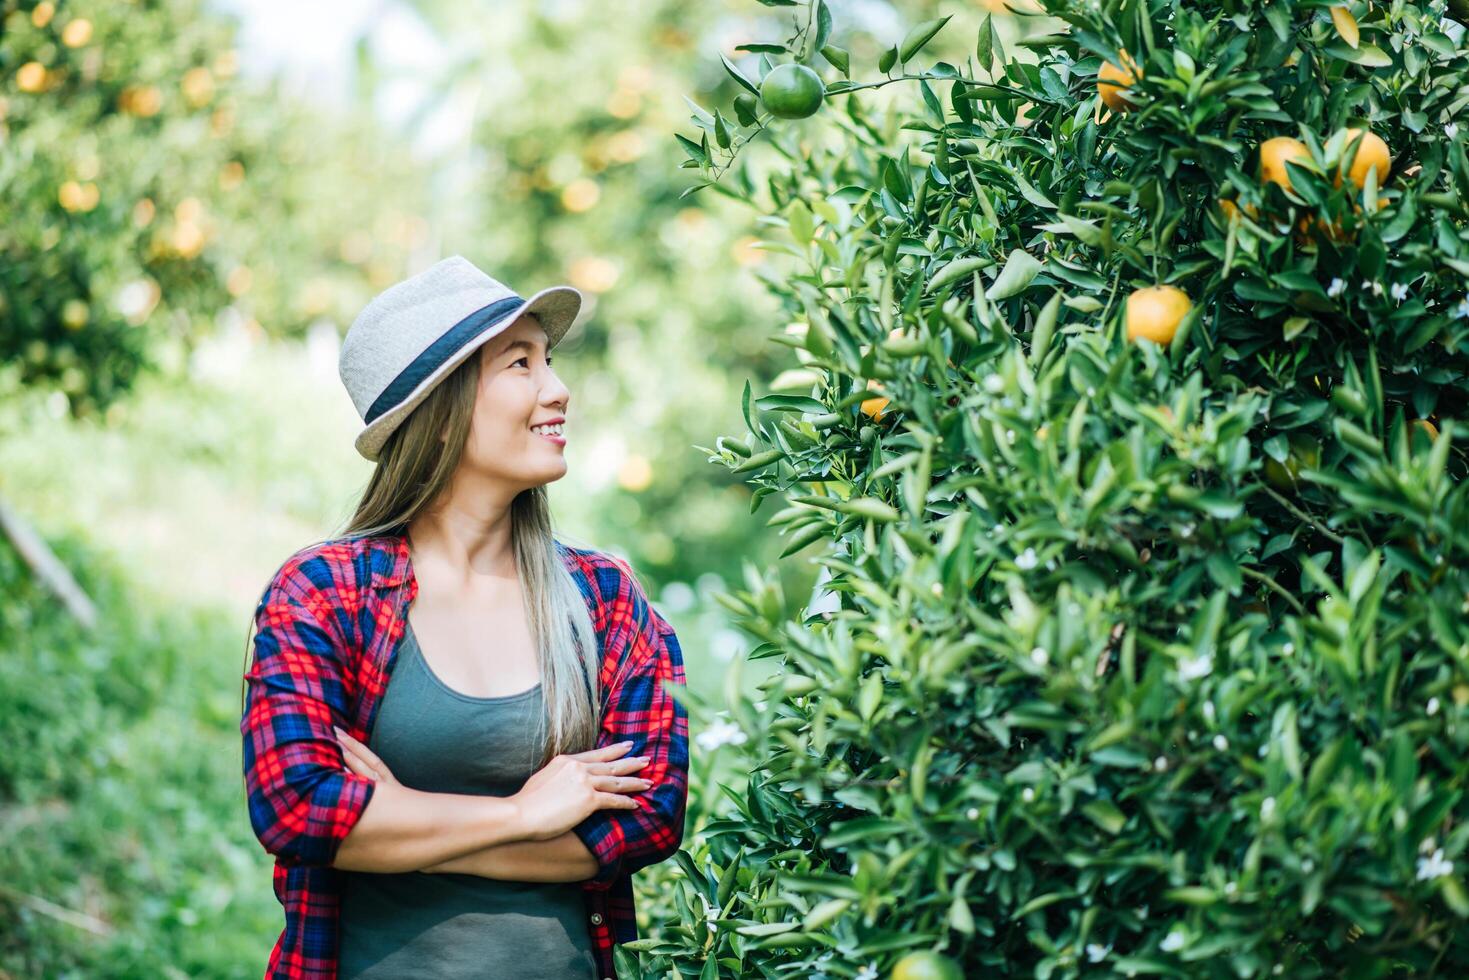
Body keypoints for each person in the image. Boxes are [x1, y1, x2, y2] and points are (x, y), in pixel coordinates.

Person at [239, 255, 690, 980]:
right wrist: (525, 815)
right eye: (521, 365)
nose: (559, 390)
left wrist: (391, 816)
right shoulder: (324, 592)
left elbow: (649, 817)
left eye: (549, 361)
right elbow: (296, 808)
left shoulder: (605, 598)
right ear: (440, 417)